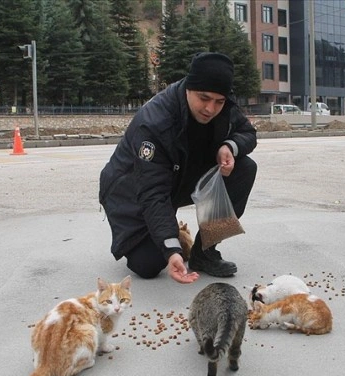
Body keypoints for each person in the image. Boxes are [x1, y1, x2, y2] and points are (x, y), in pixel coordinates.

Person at [99, 52, 257, 284]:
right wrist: (172, 248)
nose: (210, 109)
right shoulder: (154, 123)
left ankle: (204, 252)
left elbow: (248, 133)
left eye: (218, 101)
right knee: (149, 264)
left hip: (178, 176)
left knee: (244, 167)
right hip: (132, 191)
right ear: (188, 88)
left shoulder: (224, 106)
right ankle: (169, 234)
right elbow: (152, 192)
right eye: (204, 98)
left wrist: (229, 146)